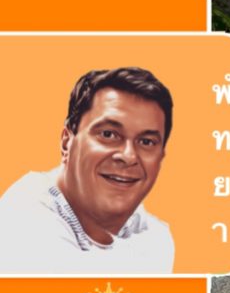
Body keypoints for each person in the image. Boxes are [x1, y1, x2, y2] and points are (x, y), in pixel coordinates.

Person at [0, 67, 175, 274]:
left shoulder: (150, 231)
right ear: (67, 142)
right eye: (108, 134)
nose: (129, 156)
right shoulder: (24, 217)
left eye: (146, 141)